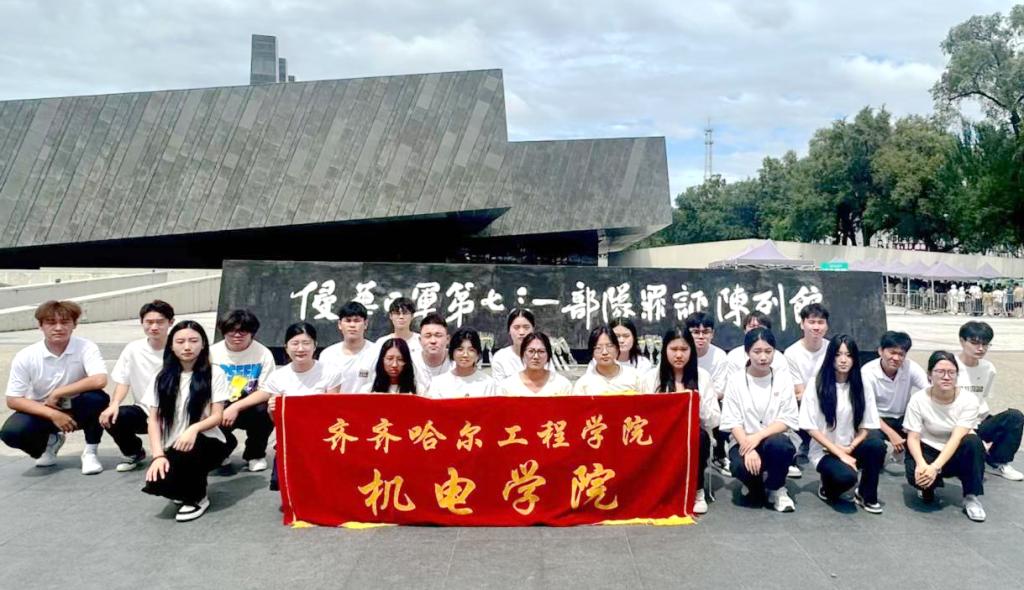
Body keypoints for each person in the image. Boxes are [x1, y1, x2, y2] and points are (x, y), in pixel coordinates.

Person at [1, 300, 108, 475]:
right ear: (40, 326)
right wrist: (53, 414)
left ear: (74, 324)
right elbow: (13, 399)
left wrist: (58, 392)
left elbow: (99, 380)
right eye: (51, 322)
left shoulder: (86, 347)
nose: (58, 328)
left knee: (98, 398)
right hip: (43, 409)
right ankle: (50, 443)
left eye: (65, 322)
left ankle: (90, 452)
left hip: (78, 406)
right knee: (12, 433)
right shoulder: (26, 355)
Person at [141, 321, 230, 522]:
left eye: (193, 341)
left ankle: (198, 498)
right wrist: (158, 455)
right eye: (180, 341)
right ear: (171, 346)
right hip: (174, 443)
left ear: (203, 344)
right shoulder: (161, 376)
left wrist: (193, 429)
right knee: (158, 482)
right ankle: (183, 487)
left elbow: (217, 416)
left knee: (189, 455)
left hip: (208, 441)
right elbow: (153, 420)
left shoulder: (215, 373)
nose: (187, 347)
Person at [799, 335, 885, 513]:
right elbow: (810, 427)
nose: (843, 360)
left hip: (850, 446)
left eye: (848, 355)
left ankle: (866, 495)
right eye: (838, 355)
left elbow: (867, 425)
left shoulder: (862, 384)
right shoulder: (816, 384)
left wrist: (850, 447)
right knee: (846, 478)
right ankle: (827, 485)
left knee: (877, 445)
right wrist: (839, 453)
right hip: (825, 450)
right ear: (830, 357)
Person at [640, 328, 720, 514]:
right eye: (673, 349)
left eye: (684, 349)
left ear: (691, 351)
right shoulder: (651, 378)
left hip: (693, 436)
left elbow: (715, 420)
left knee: (700, 436)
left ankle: (697, 490)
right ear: (664, 350)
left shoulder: (702, 376)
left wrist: (697, 402)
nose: (678, 355)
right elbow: (643, 415)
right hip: (661, 436)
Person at [255, 322, 343, 491]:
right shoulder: (277, 377)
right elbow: (276, 421)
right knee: (281, 484)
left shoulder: (331, 373)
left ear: (315, 346)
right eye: (295, 343)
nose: (300, 349)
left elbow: (332, 413)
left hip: (321, 438)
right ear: (286, 347)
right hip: (291, 440)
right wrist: (272, 409)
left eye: (306, 343)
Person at [719, 328, 799, 512]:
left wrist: (758, 437)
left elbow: (787, 419)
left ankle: (777, 488)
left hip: (773, 438)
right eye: (757, 351)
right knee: (741, 467)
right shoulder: (735, 380)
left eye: (768, 351)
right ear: (747, 352)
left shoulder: (783, 379)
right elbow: (732, 420)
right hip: (743, 440)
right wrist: (748, 446)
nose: (763, 357)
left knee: (780, 445)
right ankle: (754, 485)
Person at [904, 351, 986, 522]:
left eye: (951, 372)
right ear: (929, 375)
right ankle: (928, 486)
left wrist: (934, 467)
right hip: (928, 447)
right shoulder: (918, 399)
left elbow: (957, 437)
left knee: (973, 442)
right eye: (940, 371)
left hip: (954, 450)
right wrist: (921, 465)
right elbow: (913, 437)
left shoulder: (969, 400)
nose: (946, 377)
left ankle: (971, 497)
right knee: (918, 478)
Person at [101, 300, 175, 472]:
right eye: (149, 322)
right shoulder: (133, 349)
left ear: (171, 322)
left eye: (160, 322)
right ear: (142, 322)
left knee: (176, 460)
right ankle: (133, 452)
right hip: (144, 410)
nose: (154, 327)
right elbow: (123, 381)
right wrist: (114, 404)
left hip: (176, 413)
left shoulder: (179, 347)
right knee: (113, 417)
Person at [209, 309, 276, 473]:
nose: (237, 335)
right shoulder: (211, 353)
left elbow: (266, 390)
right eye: (231, 331)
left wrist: (236, 407)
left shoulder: (263, 353)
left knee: (266, 410)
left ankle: (255, 454)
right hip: (220, 404)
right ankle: (223, 449)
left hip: (250, 404)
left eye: (243, 331)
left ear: (252, 332)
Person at [956, 321, 1024, 481]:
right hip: (954, 424)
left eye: (985, 344)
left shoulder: (988, 368)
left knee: (1014, 417)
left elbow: (982, 399)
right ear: (962, 341)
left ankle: (999, 461)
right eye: (975, 343)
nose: (980, 348)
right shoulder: (949, 365)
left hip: (978, 421)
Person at [862, 331, 929, 460]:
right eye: (892, 352)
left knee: (926, 438)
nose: (896, 358)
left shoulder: (910, 367)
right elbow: (868, 411)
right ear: (880, 351)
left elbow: (929, 391)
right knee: (874, 445)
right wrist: (892, 434)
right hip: (877, 419)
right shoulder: (867, 372)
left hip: (903, 417)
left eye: (901, 354)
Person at [686, 311, 732, 476]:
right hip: (684, 399)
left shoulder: (719, 355)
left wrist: (703, 399)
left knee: (718, 406)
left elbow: (720, 389)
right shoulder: (682, 351)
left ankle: (719, 455)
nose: (701, 337)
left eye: (705, 332)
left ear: (712, 334)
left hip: (710, 398)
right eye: (695, 332)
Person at [319, 301, 379, 393]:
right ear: (340, 324)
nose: (352, 325)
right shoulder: (327, 355)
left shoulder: (377, 352)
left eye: (357, 321)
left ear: (366, 324)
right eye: (348, 320)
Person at [425, 328, 497, 399]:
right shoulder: (438, 383)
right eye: (460, 349)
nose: (465, 354)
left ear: (477, 354)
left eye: (471, 350)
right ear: (452, 352)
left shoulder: (488, 383)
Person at [497, 332, 573, 396]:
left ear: (548, 355)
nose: (536, 356)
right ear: (523, 354)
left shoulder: (562, 385)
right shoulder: (507, 386)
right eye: (531, 351)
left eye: (541, 351)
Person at [573, 326, 640, 395]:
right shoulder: (583, 385)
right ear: (592, 353)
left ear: (617, 349)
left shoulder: (635, 377)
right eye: (598, 348)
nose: (605, 352)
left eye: (609, 346)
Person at [586, 318, 653, 374]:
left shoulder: (643, 363)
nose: (621, 340)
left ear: (634, 338)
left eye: (626, 336)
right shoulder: (597, 363)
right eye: (617, 336)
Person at [490, 309, 540, 382]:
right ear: (509, 330)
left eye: (526, 327)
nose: (521, 332)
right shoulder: (500, 357)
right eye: (516, 327)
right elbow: (499, 387)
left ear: (533, 329)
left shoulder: (543, 355)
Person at [414, 312, 453, 378]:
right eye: (428, 336)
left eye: (438, 335)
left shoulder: (456, 361)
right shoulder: (411, 362)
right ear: (420, 340)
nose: (433, 341)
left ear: (447, 339)